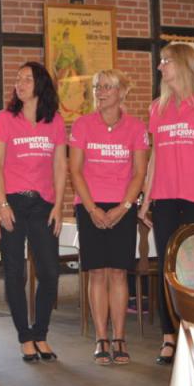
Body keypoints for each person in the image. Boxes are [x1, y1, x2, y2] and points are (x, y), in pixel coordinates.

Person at [138, 43, 194, 365]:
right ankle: (168, 336)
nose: (160, 66)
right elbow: (154, 159)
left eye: (166, 61)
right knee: (167, 267)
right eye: (161, 61)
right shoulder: (157, 108)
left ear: (184, 64)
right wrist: (146, 199)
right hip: (164, 198)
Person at [69, 70, 148, 366]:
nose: (100, 92)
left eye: (107, 87)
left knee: (118, 273)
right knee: (97, 273)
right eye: (97, 87)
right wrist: (92, 209)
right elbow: (75, 170)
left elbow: (139, 172)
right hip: (90, 205)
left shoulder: (136, 127)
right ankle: (101, 338)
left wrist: (124, 207)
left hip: (122, 207)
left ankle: (120, 337)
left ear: (122, 92)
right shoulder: (82, 124)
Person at [0, 61, 67, 363]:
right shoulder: (5, 118)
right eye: (18, 79)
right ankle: (24, 336)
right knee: (15, 272)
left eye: (27, 79)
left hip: (44, 204)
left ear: (40, 85)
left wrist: (58, 205)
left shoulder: (55, 120)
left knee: (49, 272)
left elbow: (60, 165)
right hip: (13, 202)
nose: (19, 84)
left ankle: (41, 334)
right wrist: (2, 205)